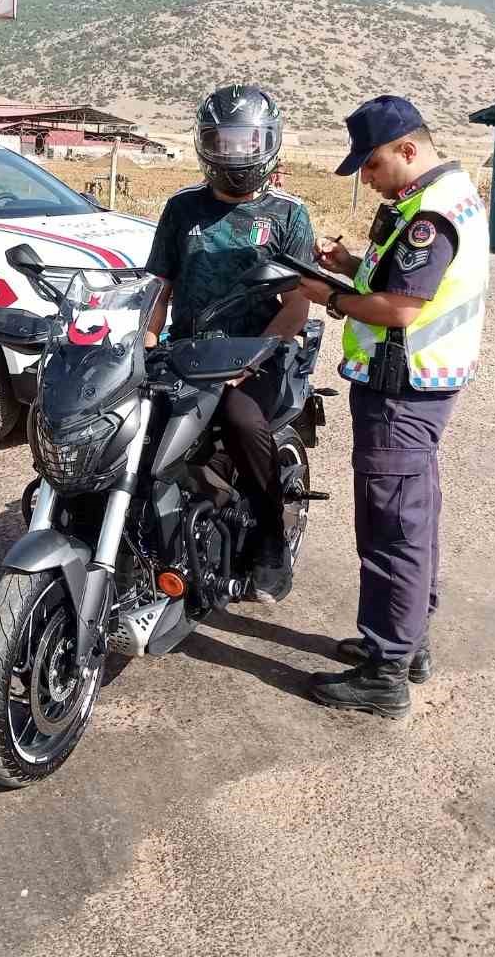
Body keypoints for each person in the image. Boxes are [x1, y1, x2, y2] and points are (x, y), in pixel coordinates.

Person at [295, 95, 490, 717]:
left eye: (372, 164)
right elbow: (400, 284)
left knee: (391, 526)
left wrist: (329, 294)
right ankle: (409, 642)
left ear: (409, 150)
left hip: (401, 388)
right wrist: (352, 265)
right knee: (414, 513)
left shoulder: (430, 214)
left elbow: (400, 308)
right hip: (417, 384)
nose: (366, 177)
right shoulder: (438, 197)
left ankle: (386, 671)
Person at [143, 84, 315, 603]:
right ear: (204, 143)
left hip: (260, 355)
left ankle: (269, 539)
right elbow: (161, 287)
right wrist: (147, 342)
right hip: (190, 353)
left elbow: (296, 306)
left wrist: (250, 358)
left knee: (240, 419)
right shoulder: (181, 209)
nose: (234, 153)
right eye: (223, 141)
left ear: (269, 143)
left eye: (246, 142)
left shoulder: (288, 216)